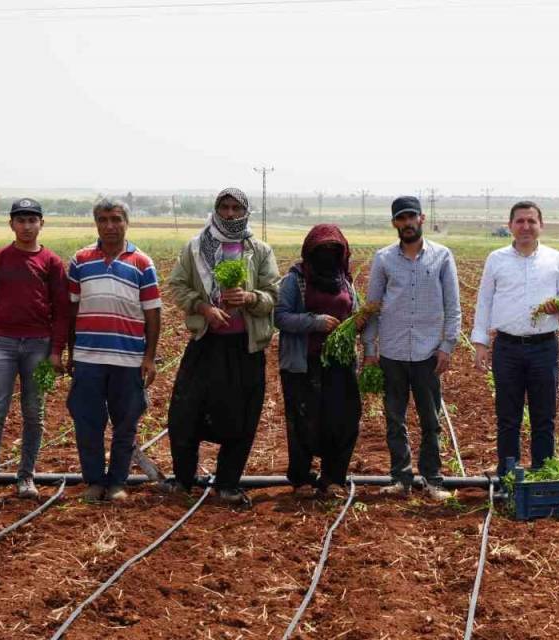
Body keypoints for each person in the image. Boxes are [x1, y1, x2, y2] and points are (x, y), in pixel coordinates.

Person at [164, 188, 279, 504]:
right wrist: (203, 308)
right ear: (216, 210)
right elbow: (177, 285)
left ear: (245, 212)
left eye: (235, 208)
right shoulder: (196, 247)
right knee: (185, 413)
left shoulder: (259, 250)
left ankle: (227, 483)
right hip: (206, 344)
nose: (229, 214)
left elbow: (273, 294)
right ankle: (184, 481)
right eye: (224, 207)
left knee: (242, 417)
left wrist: (251, 298)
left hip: (245, 349)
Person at [0, 198, 70, 503]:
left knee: (34, 413)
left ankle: (26, 477)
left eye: (32, 220)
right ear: (11, 224)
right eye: (20, 220)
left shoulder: (51, 263)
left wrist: (57, 351)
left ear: (42, 223)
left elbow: (62, 311)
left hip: (39, 347)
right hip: (3, 345)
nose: (27, 226)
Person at [362, 196, 461, 500]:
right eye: (400, 219)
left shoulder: (442, 256)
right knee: (394, 417)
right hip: (392, 351)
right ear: (394, 223)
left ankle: (433, 480)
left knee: (430, 420)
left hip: (427, 353)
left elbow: (453, 307)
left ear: (421, 218)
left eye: (411, 217)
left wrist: (447, 346)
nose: (406, 223)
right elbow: (373, 307)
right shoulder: (383, 259)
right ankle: (401, 478)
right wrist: (369, 347)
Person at [472, 201, 559, 482]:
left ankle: (542, 473)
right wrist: (480, 343)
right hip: (506, 348)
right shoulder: (496, 259)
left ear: (541, 226)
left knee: (544, 416)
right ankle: (508, 474)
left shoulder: (555, 259)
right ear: (510, 226)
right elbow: (484, 301)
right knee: (508, 416)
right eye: (520, 221)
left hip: (544, 346)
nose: (526, 226)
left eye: (531, 221)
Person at [66, 199, 161, 503]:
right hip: (88, 357)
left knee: (126, 423)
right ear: (96, 223)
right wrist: (70, 352)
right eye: (103, 219)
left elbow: (153, 314)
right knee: (88, 422)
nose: (110, 225)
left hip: (128, 358)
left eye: (116, 219)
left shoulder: (142, 263)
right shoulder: (80, 261)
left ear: (125, 222)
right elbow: (71, 310)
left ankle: (118, 481)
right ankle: (94, 481)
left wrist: (149, 357)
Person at [276, 224, 364, 496]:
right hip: (304, 363)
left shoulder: (345, 280)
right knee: (303, 419)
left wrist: (354, 325)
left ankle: (333, 478)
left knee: (343, 419)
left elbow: (356, 312)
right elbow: (279, 316)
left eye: (333, 249)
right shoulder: (296, 279)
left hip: (340, 363)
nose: (327, 254)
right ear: (309, 252)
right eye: (321, 249)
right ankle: (301, 478)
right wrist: (314, 322)